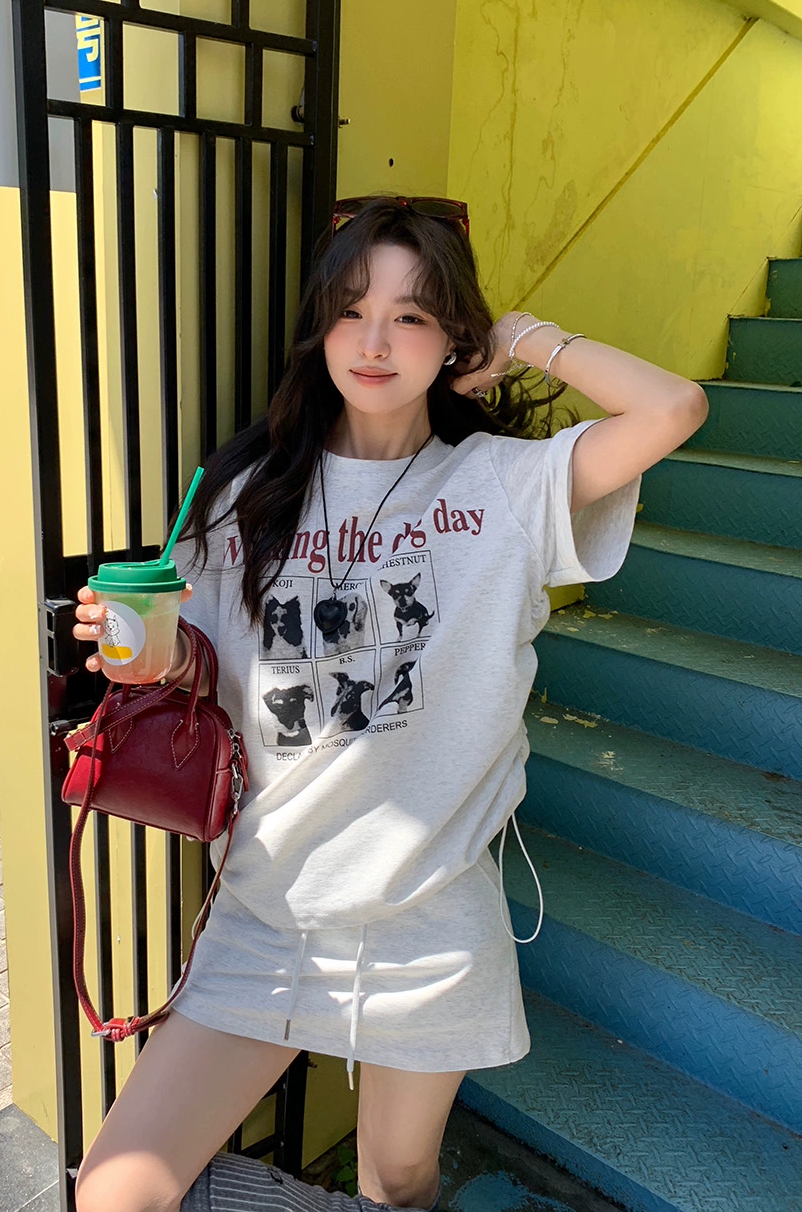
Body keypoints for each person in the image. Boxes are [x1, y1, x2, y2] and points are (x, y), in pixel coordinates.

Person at [70, 195, 709, 1212]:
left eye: (411, 315)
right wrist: (149, 656)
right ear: (319, 327)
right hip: (269, 907)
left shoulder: (503, 487)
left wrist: (521, 336)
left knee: (398, 1181)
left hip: (429, 915)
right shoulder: (243, 494)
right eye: (351, 310)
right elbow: (209, 670)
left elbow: (673, 408)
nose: (374, 342)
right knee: (115, 1193)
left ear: (453, 335)